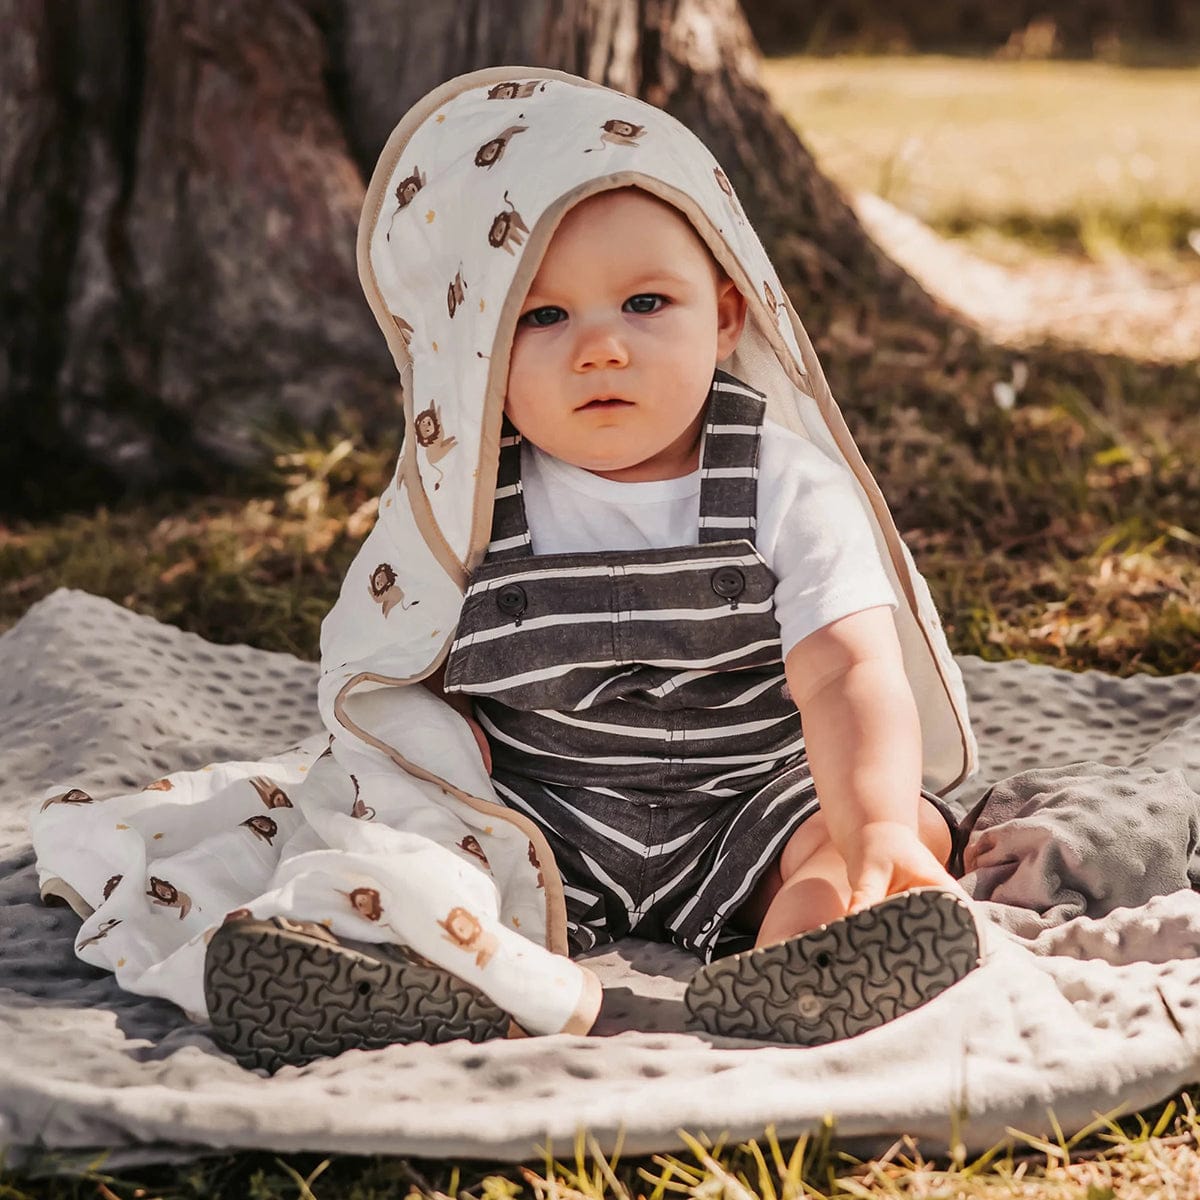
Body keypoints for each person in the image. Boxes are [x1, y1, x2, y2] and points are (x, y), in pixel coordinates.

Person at [427, 183, 982, 1044]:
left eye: (645, 304)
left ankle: (813, 952)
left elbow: (848, 670)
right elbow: (396, 671)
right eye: (543, 316)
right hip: (543, 812)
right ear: (482, 350)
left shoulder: (786, 484)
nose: (601, 349)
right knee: (421, 846)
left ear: (724, 319)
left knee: (879, 830)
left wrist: (871, 823)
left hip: (749, 802)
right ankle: (421, 961)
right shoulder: (457, 499)